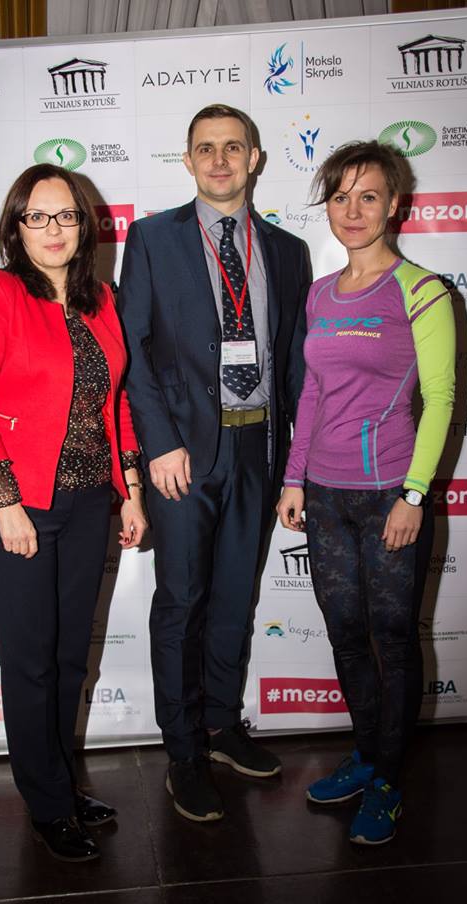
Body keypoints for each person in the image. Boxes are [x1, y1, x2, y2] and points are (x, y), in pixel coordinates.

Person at [118, 104, 310, 822]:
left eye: (233, 147)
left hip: (259, 447)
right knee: (182, 602)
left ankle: (224, 725)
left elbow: (294, 363)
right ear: (188, 160)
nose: (220, 160)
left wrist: (295, 465)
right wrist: (159, 443)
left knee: (235, 596)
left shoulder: (288, 251)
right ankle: (184, 752)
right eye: (206, 148)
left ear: (255, 158)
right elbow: (133, 351)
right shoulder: (151, 239)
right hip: (184, 456)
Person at [0, 163, 147, 862]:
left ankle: (61, 783)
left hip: (89, 502)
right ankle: (47, 805)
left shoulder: (101, 301)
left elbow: (115, 403)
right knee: (31, 662)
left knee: (67, 660)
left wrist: (130, 488)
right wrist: (7, 504)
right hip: (14, 504)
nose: (54, 228)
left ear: (86, 228)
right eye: (38, 216)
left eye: (67, 215)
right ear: (17, 227)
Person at [277, 141, 455, 846]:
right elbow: (312, 393)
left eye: (368, 196)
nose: (352, 211)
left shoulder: (422, 290)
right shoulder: (321, 294)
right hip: (325, 495)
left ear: (394, 205)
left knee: (393, 640)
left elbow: (440, 399)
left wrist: (414, 494)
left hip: (389, 495)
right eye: (340, 196)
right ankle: (366, 753)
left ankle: (387, 780)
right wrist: (294, 476)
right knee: (346, 634)